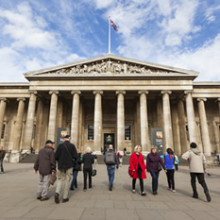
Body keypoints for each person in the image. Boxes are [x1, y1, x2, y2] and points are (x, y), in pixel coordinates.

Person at [55, 135, 77, 204]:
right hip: (69, 165)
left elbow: (56, 156)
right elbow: (75, 156)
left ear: (64, 139)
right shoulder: (72, 146)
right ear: (69, 139)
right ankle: (65, 197)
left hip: (61, 165)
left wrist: (60, 160)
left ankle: (57, 192)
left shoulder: (60, 146)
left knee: (60, 180)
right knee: (67, 181)